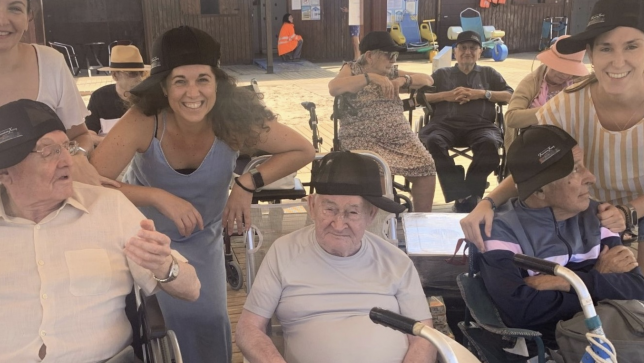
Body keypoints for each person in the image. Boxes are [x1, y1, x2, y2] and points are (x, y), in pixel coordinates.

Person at [91, 26, 315, 363]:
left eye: (202, 79)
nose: (192, 92)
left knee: (211, 320)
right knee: (162, 326)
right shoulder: (143, 120)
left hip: (204, 239)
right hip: (146, 242)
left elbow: (302, 149)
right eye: (180, 80)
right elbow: (91, 182)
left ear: (217, 82)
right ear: (163, 86)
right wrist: (156, 196)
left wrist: (245, 184)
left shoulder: (232, 120)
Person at [0, 99, 200, 363]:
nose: (68, 161)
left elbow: (192, 289)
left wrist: (165, 266)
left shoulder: (109, 208)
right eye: (48, 151)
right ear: (2, 172)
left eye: (67, 147)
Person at [460, 0, 644, 269]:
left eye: (632, 46)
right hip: (585, 216)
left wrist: (629, 212)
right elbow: (535, 165)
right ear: (591, 53)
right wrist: (488, 203)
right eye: (606, 48)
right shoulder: (568, 104)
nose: (618, 61)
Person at [236, 151, 437, 363]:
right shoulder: (283, 252)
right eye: (329, 209)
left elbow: (424, 337)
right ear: (312, 206)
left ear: (371, 215)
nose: (339, 225)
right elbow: (248, 329)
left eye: (352, 213)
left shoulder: (396, 261)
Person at [479, 125, 644, 344]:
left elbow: (636, 287)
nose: (591, 177)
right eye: (575, 169)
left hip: (613, 338)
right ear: (539, 190)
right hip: (550, 350)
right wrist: (599, 277)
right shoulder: (500, 231)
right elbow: (523, 312)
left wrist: (567, 282)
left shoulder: (598, 216)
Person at [0, 0, 104, 188]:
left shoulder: (50, 63)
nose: (2, 20)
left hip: (49, 200)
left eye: (15, 8)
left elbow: (80, 136)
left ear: (29, 15)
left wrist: (76, 157)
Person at [328, 31, 437, 212]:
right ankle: (381, 226)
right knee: (377, 170)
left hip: (400, 138)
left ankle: (420, 224)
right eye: (389, 55)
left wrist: (404, 80)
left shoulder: (392, 73)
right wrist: (370, 78)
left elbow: (428, 79)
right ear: (370, 56)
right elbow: (334, 87)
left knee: (427, 166)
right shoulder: (352, 69)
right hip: (362, 138)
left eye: (395, 55)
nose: (393, 60)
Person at [418, 30, 513, 213]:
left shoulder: (489, 73)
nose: (467, 52)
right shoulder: (442, 74)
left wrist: (481, 94)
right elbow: (421, 97)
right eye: (463, 48)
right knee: (432, 142)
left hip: (480, 126)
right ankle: (461, 194)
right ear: (455, 52)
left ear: (480, 52)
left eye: (473, 48)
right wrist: (448, 96)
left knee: (490, 143)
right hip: (444, 125)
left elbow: (510, 95)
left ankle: (470, 192)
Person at [504, 35, 589, 150]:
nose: (564, 75)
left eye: (570, 70)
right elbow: (511, 118)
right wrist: (552, 110)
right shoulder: (532, 82)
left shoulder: (579, 81)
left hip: (572, 143)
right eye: (560, 68)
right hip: (537, 145)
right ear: (549, 62)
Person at [86, 44, 149, 146]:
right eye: (132, 74)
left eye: (142, 73)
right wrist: (117, 145)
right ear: (115, 75)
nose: (139, 79)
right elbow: (88, 135)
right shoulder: (99, 97)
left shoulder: (149, 97)